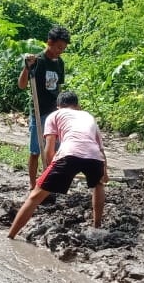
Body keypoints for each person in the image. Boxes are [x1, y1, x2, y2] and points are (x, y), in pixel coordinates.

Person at [8, 91, 108, 239]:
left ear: (58, 106)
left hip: (68, 154)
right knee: (98, 185)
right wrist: (105, 173)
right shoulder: (88, 116)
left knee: (34, 196)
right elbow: (100, 150)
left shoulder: (54, 115)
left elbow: (49, 149)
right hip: (94, 157)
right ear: (78, 106)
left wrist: (50, 169)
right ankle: (97, 227)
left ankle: (10, 235)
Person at [17, 25, 70, 189]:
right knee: (35, 152)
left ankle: (49, 184)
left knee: (54, 151)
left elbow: (59, 88)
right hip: (39, 111)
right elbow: (22, 85)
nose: (60, 51)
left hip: (54, 113)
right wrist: (27, 67)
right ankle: (33, 185)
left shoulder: (60, 63)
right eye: (59, 47)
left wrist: (62, 108)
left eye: (63, 49)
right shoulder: (37, 61)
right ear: (50, 42)